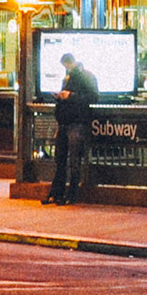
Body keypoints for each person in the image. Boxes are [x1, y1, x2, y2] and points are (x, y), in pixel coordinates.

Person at [47, 52, 98, 205]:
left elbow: (93, 97)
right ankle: (59, 193)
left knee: (72, 160)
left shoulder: (84, 76)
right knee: (62, 159)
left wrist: (70, 96)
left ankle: (69, 194)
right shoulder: (69, 77)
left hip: (76, 122)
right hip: (66, 122)